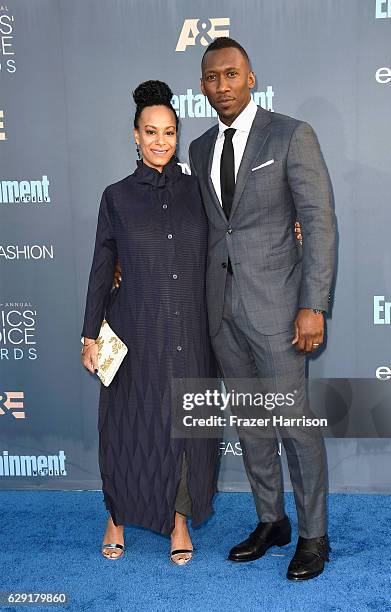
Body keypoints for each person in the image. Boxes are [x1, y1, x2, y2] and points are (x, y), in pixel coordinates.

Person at [188, 37, 336, 581]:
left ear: (251, 78)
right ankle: (270, 521)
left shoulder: (291, 134)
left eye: (231, 75)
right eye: (211, 78)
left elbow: (319, 223)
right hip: (222, 313)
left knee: (295, 427)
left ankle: (314, 535)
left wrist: (313, 304)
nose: (221, 86)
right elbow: (210, 230)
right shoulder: (200, 149)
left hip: (279, 310)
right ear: (202, 87)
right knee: (251, 425)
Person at [81, 80, 218, 565]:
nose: (160, 141)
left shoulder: (198, 190)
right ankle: (115, 517)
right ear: (135, 136)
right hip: (134, 330)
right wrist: (88, 334)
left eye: (169, 132)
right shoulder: (115, 197)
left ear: (178, 135)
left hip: (189, 332)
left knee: (186, 430)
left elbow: (232, 237)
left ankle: (179, 521)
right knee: (125, 428)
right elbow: (102, 265)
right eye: (150, 132)